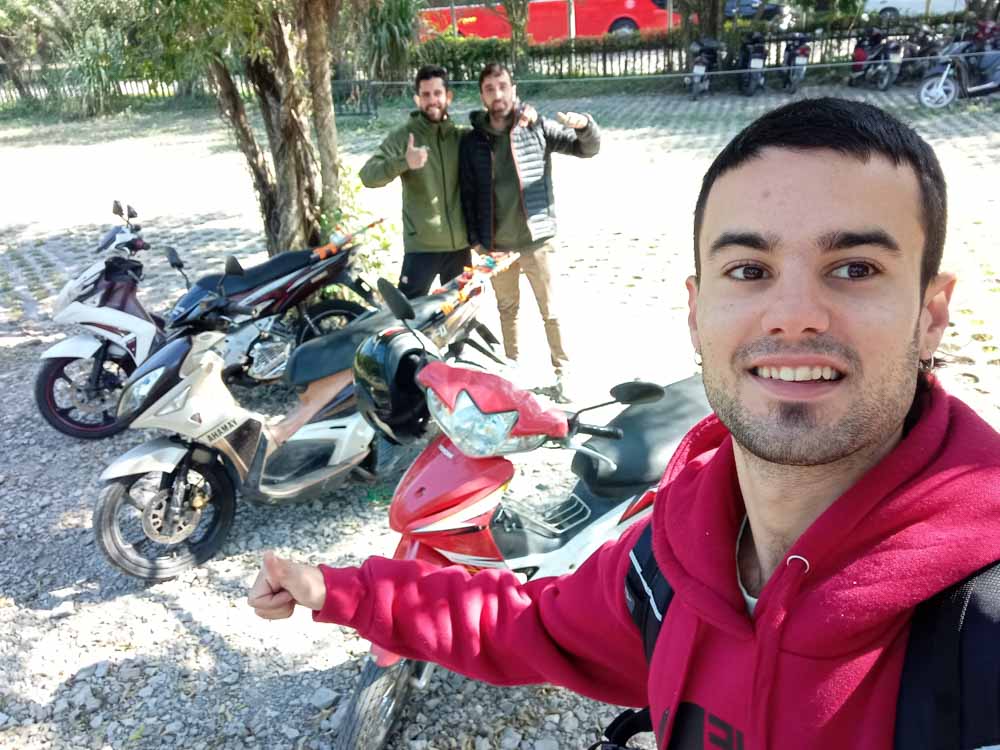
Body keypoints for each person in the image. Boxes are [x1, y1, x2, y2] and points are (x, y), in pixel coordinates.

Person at [247, 98, 1000, 748]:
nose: (795, 315)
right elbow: (527, 626)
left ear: (932, 313)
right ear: (696, 312)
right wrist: (340, 591)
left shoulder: (983, 632)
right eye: (748, 270)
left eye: (856, 268)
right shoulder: (672, 559)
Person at [459, 62, 600, 403]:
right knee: (507, 310)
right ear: (482, 96)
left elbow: (587, 148)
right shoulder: (473, 140)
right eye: (490, 89)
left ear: (514, 89)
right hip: (497, 247)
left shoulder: (536, 127)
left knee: (550, 310)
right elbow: (467, 193)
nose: (498, 94)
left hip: (537, 240)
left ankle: (563, 373)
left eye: (503, 86)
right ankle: (513, 373)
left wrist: (584, 125)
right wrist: (476, 242)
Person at [359, 64, 470, 299]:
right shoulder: (405, 137)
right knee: (408, 315)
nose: (432, 100)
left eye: (437, 93)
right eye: (426, 95)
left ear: (448, 96)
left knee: (463, 313)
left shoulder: (460, 137)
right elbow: (367, 176)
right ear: (417, 99)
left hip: (460, 247)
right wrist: (404, 162)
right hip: (421, 246)